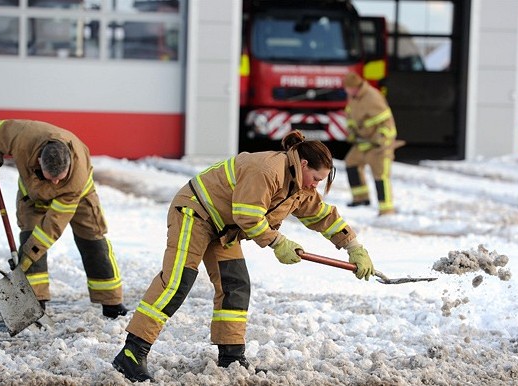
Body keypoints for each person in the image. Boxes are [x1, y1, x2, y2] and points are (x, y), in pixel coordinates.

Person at [112, 130, 375, 382]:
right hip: (195, 213)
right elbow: (247, 215)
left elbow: (322, 215)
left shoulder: (299, 185)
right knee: (178, 281)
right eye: (316, 178)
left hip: (224, 228)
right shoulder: (266, 170)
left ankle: (231, 356)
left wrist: (353, 246)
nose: (315, 185)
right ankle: (132, 353)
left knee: (235, 284)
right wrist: (278, 242)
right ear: (304, 164)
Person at [0, 119, 128, 319]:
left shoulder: (76, 177)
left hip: (78, 197)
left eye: (61, 178)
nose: (56, 182)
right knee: (30, 237)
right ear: (40, 161)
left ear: (69, 164)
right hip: (32, 196)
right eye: (51, 178)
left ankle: (112, 303)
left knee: (93, 242)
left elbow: (52, 226)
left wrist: (27, 257)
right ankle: (35, 306)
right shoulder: (22, 136)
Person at [343, 72, 398, 216]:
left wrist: (382, 138)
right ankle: (361, 198)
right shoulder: (353, 97)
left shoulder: (373, 97)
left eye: (348, 88)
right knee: (351, 162)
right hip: (363, 142)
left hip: (379, 144)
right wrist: (352, 131)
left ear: (355, 87)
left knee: (380, 174)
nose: (346, 91)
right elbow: (350, 115)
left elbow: (386, 121)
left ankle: (386, 210)